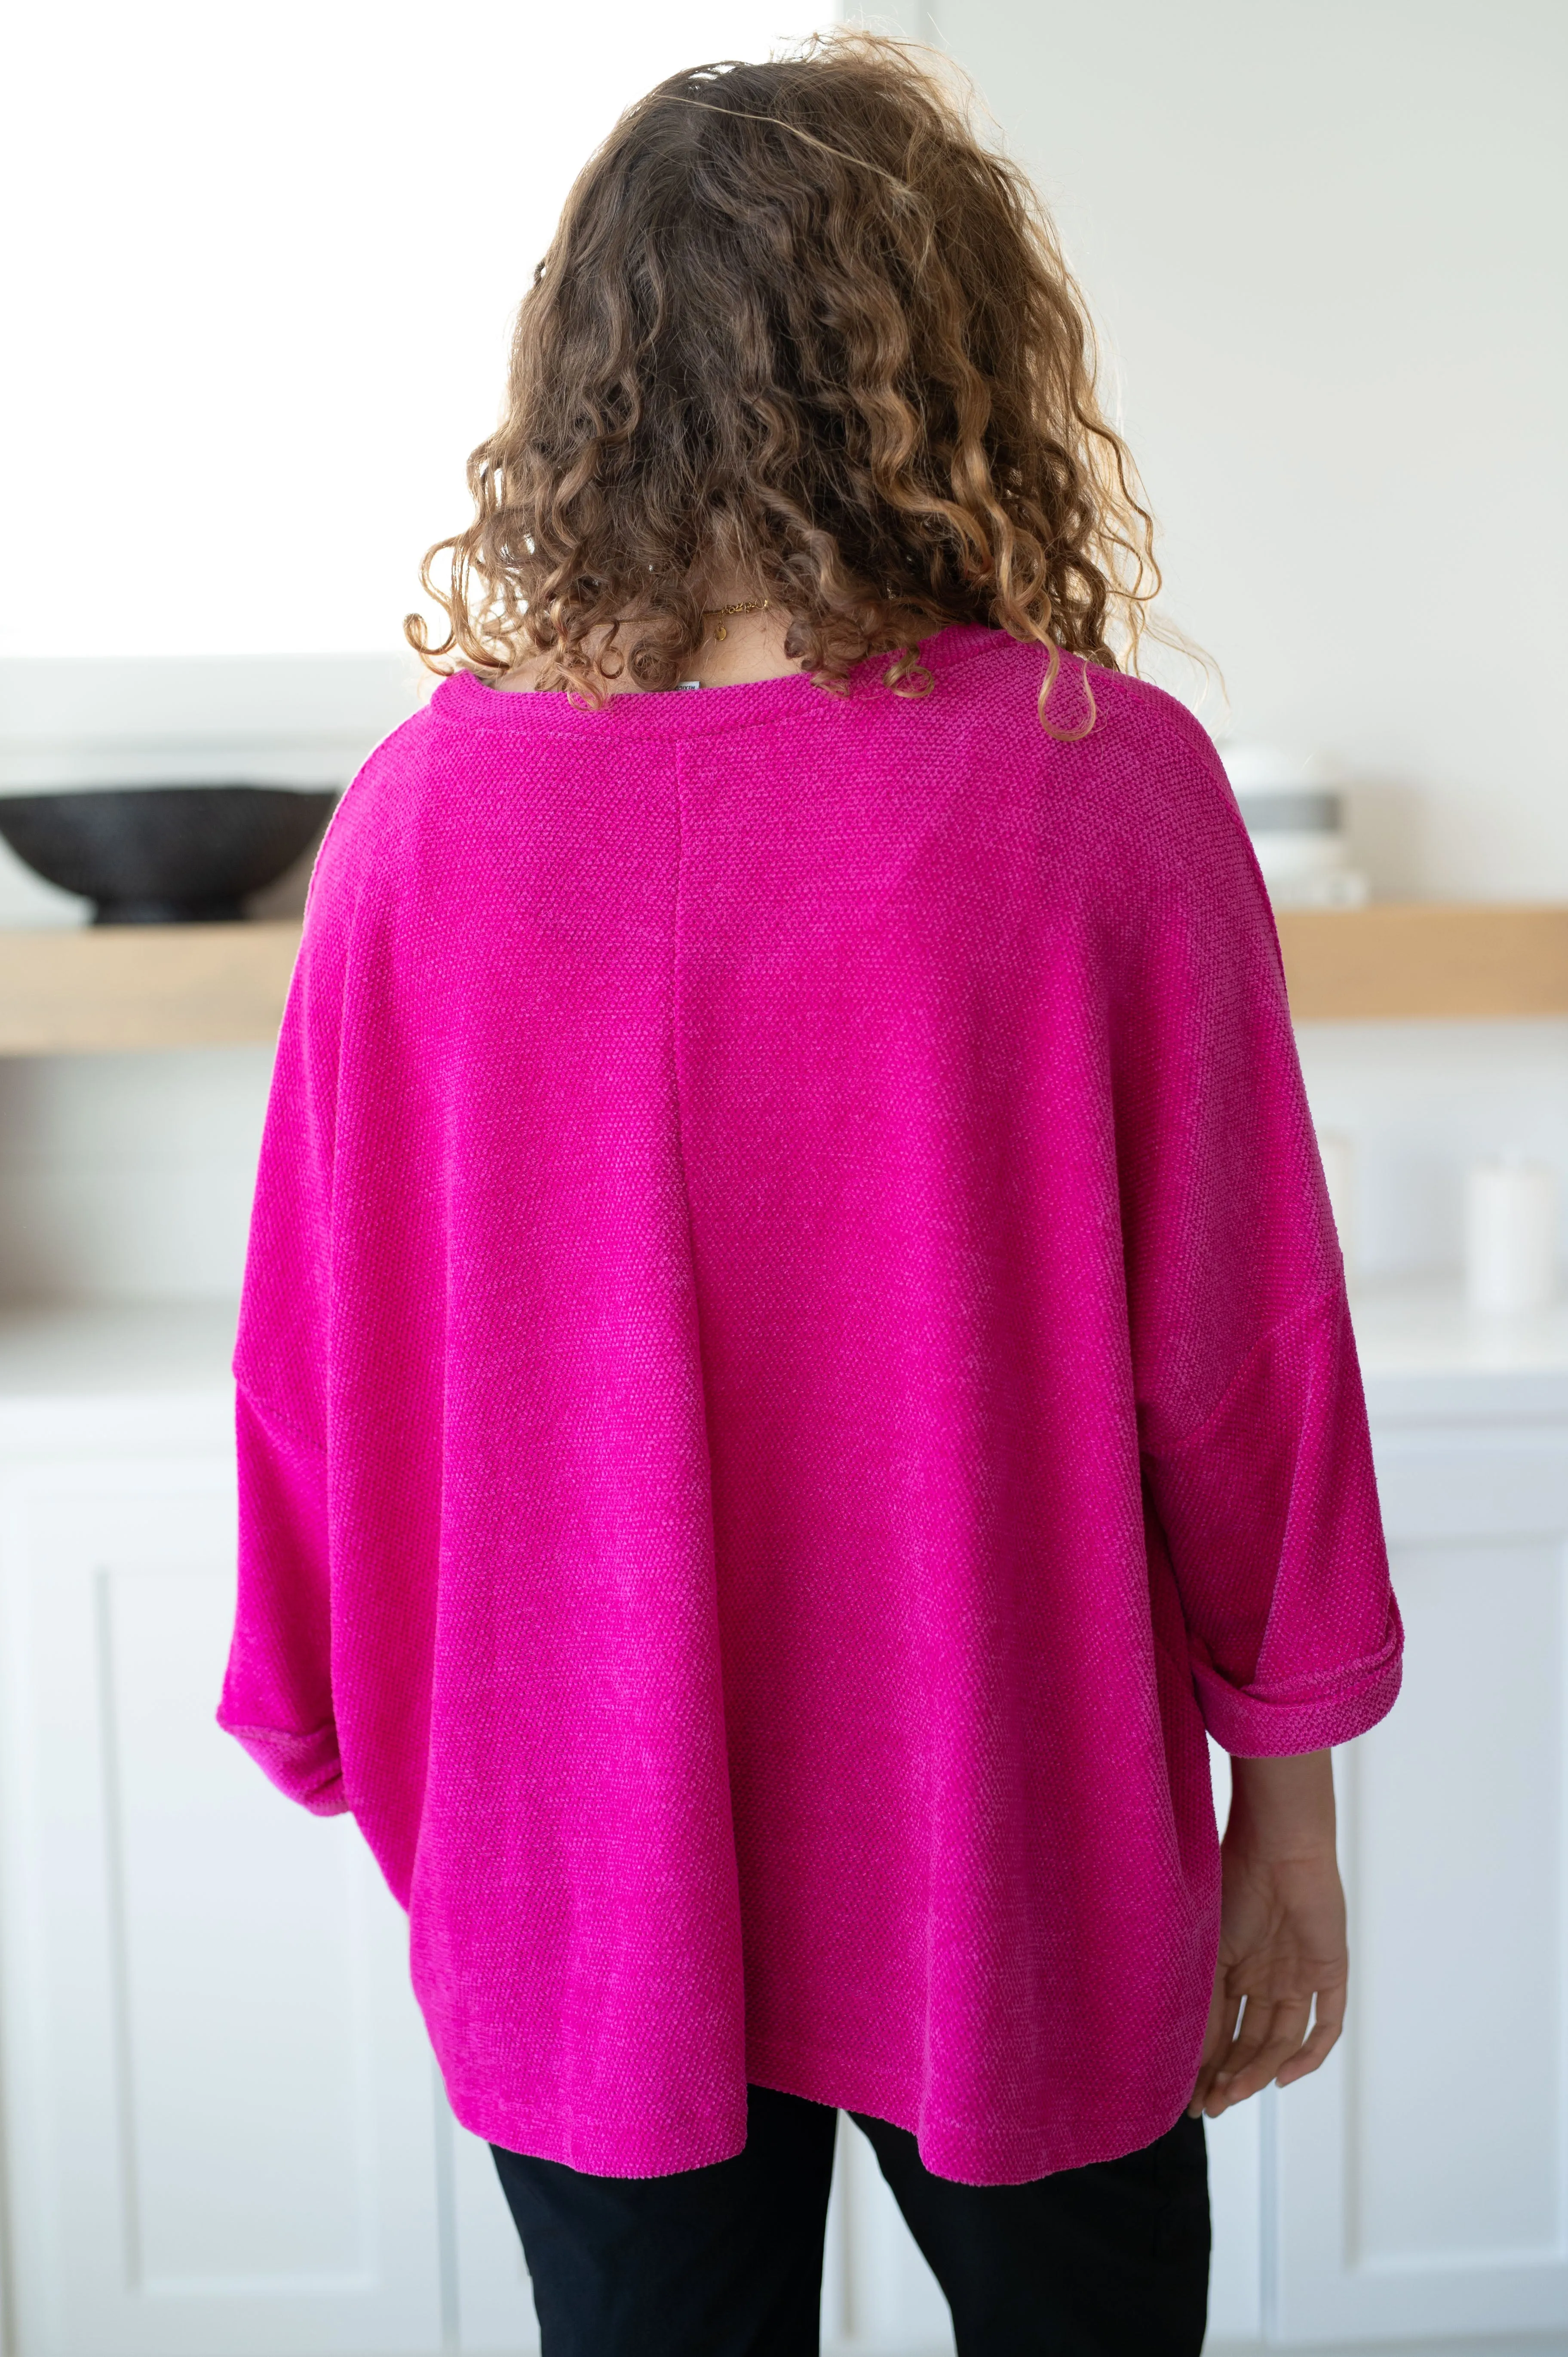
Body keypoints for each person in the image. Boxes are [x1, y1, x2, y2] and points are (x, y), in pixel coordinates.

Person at [217, 32, 1401, 2356]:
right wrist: (1286, 1841)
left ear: (590, 387)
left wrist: (379, 1759)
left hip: (574, 1851)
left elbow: (313, 1366)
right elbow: (1241, 1367)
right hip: (1016, 1840)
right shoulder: (1104, 800)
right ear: (960, 367)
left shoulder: (416, 831)